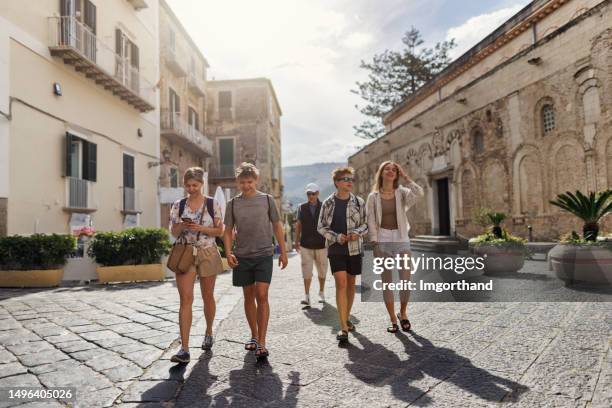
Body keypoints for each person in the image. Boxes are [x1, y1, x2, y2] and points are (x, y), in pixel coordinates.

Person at [223, 163, 288, 359]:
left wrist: (283, 252)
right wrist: (228, 253)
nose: (246, 185)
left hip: (264, 254)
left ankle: (262, 341)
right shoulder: (232, 204)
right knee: (248, 296)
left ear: (256, 181)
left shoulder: (267, 200)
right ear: (238, 183)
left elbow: (277, 226)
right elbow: (227, 231)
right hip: (242, 256)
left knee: (262, 295)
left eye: (249, 182)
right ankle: (253, 335)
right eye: (242, 182)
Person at [169, 167, 225, 363]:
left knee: (207, 296)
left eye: (195, 185)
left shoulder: (212, 204)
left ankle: (208, 332)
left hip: (207, 251)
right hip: (184, 252)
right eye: (188, 185)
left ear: (202, 184)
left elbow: (219, 231)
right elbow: (174, 232)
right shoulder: (179, 205)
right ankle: (184, 349)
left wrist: (200, 228)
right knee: (185, 299)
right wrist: (182, 225)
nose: (191, 189)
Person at [366, 161, 423, 333]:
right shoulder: (373, 197)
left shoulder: (402, 193)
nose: (391, 172)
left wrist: (406, 177)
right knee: (387, 283)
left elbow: (419, 193)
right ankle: (392, 319)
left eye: (394, 170)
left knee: (405, 281)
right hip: (382, 241)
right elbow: (370, 221)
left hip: (401, 239)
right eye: (387, 169)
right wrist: (374, 243)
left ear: (397, 174)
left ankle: (403, 313)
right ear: (381, 173)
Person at [317, 167, 367, 342]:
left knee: (351, 283)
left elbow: (366, 224)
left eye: (351, 179)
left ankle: (346, 316)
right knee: (341, 283)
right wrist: (336, 237)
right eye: (346, 179)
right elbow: (321, 227)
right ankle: (343, 328)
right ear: (337, 182)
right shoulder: (328, 203)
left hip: (354, 248)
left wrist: (357, 232)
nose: (349, 182)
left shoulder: (359, 202)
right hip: (336, 248)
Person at [294, 183, 328, 307]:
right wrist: (296, 241)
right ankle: (307, 296)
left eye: (313, 194)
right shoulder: (301, 207)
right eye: (309, 194)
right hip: (306, 245)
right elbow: (298, 225)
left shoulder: (325, 206)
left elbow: (328, 225)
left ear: (318, 193)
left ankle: (321, 292)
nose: (311, 196)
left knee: (322, 271)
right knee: (306, 271)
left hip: (321, 244)